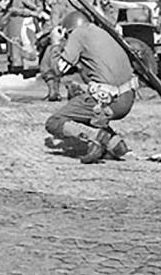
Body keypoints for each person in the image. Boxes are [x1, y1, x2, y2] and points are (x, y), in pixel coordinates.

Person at [45, 11, 138, 163]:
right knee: (78, 96)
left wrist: (55, 43)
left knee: (54, 122)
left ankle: (96, 139)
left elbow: (58, 70)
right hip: (127, 97)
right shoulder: (102, 32)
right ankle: (115, 144)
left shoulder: (78, 34)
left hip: (108, 100)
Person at [36, 0, 69, 101]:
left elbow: (54, 25)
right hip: (60, 40)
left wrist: (40, 33)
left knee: (46, 67)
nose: (48, 0)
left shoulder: (55, 9)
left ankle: (53, 93)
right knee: (53, 67)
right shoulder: (62, 7)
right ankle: (54, 93)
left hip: (54, 41)